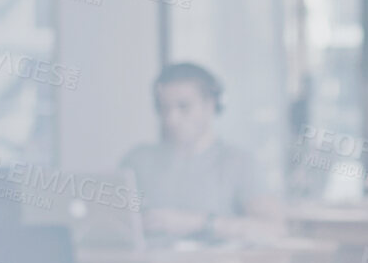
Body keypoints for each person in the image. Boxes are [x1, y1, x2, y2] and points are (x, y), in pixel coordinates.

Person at [118, 62, 276, 241]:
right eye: (164, 108)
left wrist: (199, 223)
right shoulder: (137, 160)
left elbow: (271, 230)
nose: (171, 119)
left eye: (183, 107)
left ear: (210, 105)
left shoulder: (239, 163)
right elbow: (107, 221)